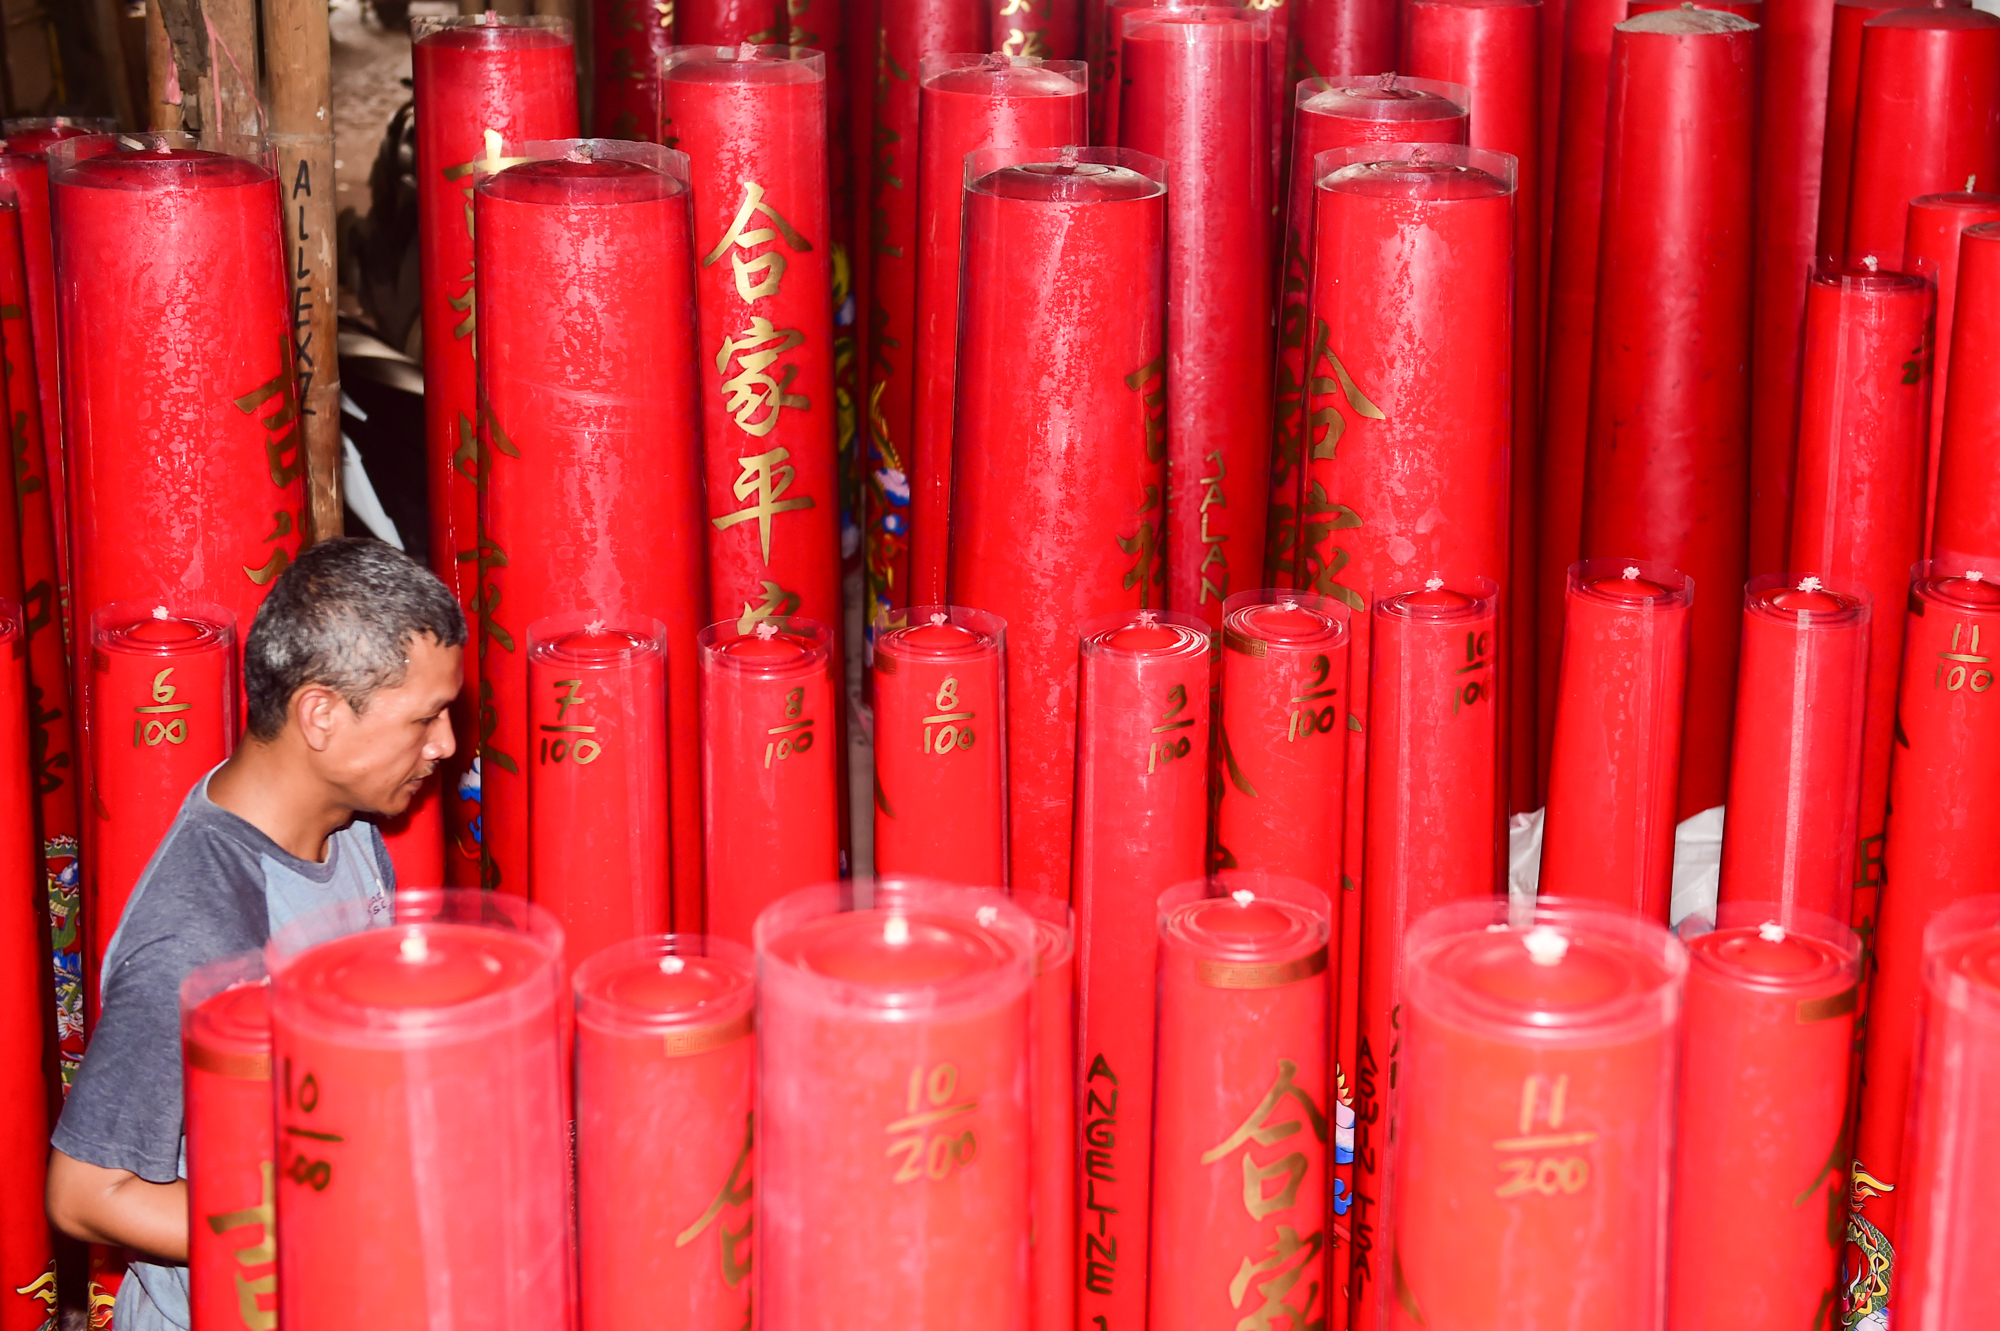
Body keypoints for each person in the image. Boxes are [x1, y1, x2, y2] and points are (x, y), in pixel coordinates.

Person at [46, 538, 464, 1330]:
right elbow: (84, 1192)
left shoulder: (348, 828)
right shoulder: (200, 930)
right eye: (424, 718)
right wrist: (323, 1226)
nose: (444, 744)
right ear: (320, 714)